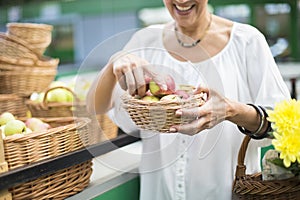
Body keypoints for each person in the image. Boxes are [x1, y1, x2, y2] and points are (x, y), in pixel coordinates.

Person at [87, 0, 290, 199]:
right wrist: (114, 62)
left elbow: (282, 126)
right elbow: (93, 108)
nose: (182, 1)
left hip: (227, 192)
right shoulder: (145, 41)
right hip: (159, 191)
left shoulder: (246, 41)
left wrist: (231, 111)